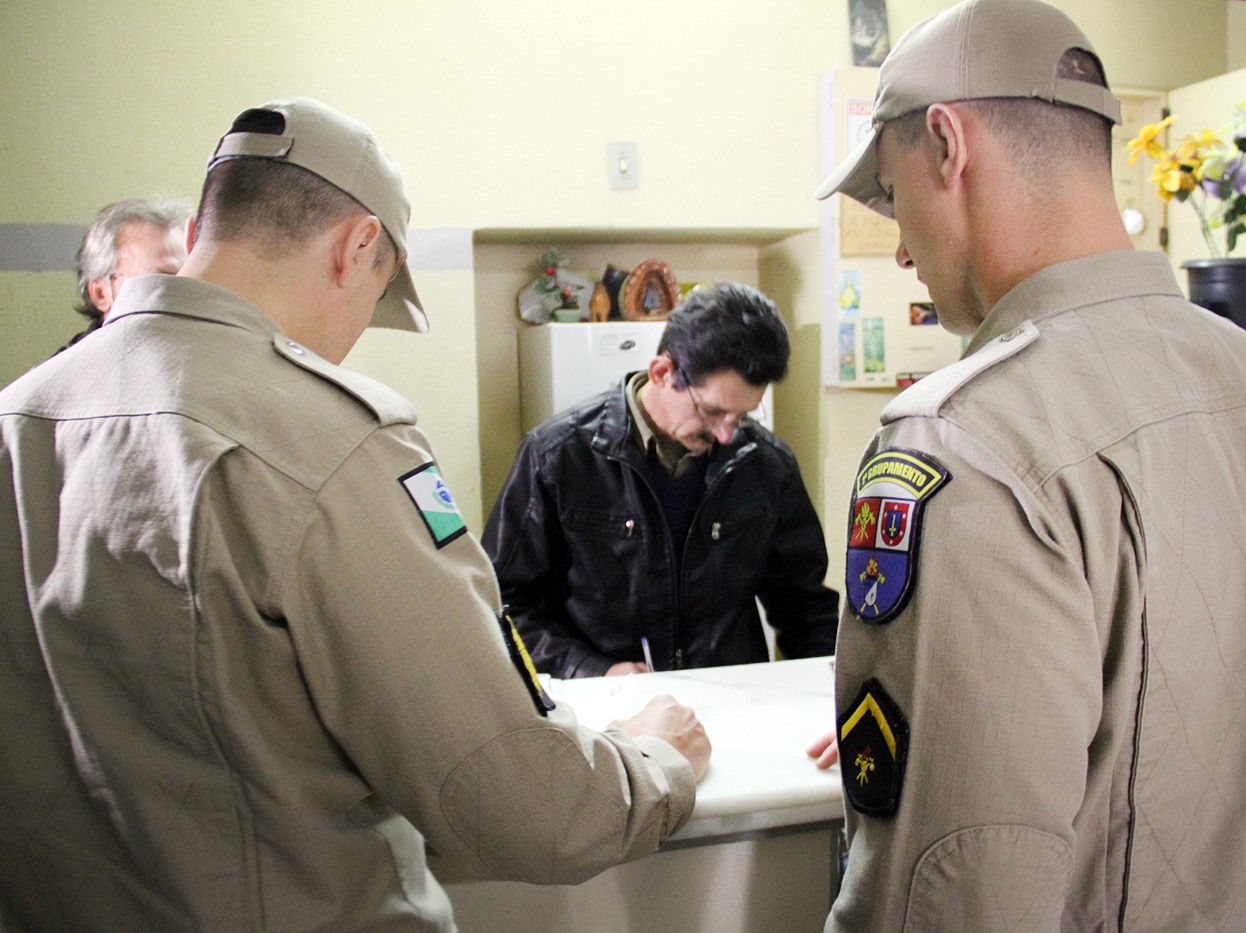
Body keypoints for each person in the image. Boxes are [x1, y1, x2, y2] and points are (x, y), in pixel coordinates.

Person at [0, 97, 709, 932]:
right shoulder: (334, 442)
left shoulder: (20, 418)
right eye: (375, 296)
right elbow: (532, 806)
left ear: (198, 231)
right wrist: (655, 755)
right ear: (357, 245)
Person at [808, 1, 1246, 930]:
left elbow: (954, 894)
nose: (903, 245)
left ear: (948, 145)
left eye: (891, 190)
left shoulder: (967, 444)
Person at [482, 282, 838, 678]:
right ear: (662, 372)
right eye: (712, 412)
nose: (726, 435)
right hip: (605, 706)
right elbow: (499, 604)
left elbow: (805, 608)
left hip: (732, 703)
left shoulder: (767, 465)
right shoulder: (558, 456)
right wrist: (593, 671)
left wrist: (835, 695)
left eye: (741, 417)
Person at [61, 197, 191, 350]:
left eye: (188, 280)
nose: (183, 295)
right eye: (161, 281)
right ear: (100, 293)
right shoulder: (73, 364)